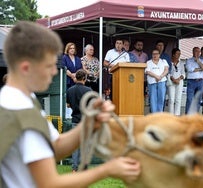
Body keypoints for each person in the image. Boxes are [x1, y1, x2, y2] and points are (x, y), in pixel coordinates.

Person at [0, 21, 140, 187]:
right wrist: (106, 170)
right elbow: (51, 184)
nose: (54, 71)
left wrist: (89, 122)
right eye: (49, 65)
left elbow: (55, 147)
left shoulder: (22, 101)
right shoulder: (18, 112)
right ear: (25, 67)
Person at [66, 69, 92, 172]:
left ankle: (74, 168)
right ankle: (84, 167)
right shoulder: (88, 90)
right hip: (85, 120)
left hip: (75, 120)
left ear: (76, 77)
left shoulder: (70, 90)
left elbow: (68, 105)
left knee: (75, 146)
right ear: (84, 78)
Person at [185, 47, 203, 114]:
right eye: (196, 51)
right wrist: (200, 69)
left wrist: (198, 62)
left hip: (200, 82)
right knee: (190, 99)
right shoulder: (189, 60)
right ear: (193, 52)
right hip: (191, 81)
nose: (197, 53)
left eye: (198, 51)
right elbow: (190, 69)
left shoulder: (202, 61)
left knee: (198, 99)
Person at [167, 48, 185, 116]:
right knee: (171, 99)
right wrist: (173, 79)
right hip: (171, 82)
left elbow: (183, 74)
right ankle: (171, 115)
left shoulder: (181, 63)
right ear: (173, 54)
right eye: (177, 53)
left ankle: (177, 114)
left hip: (179, 82)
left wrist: (178, 79)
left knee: (178, 99)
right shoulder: (169, 62)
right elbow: (168, 72)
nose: (179, 55)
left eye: (180, 54)